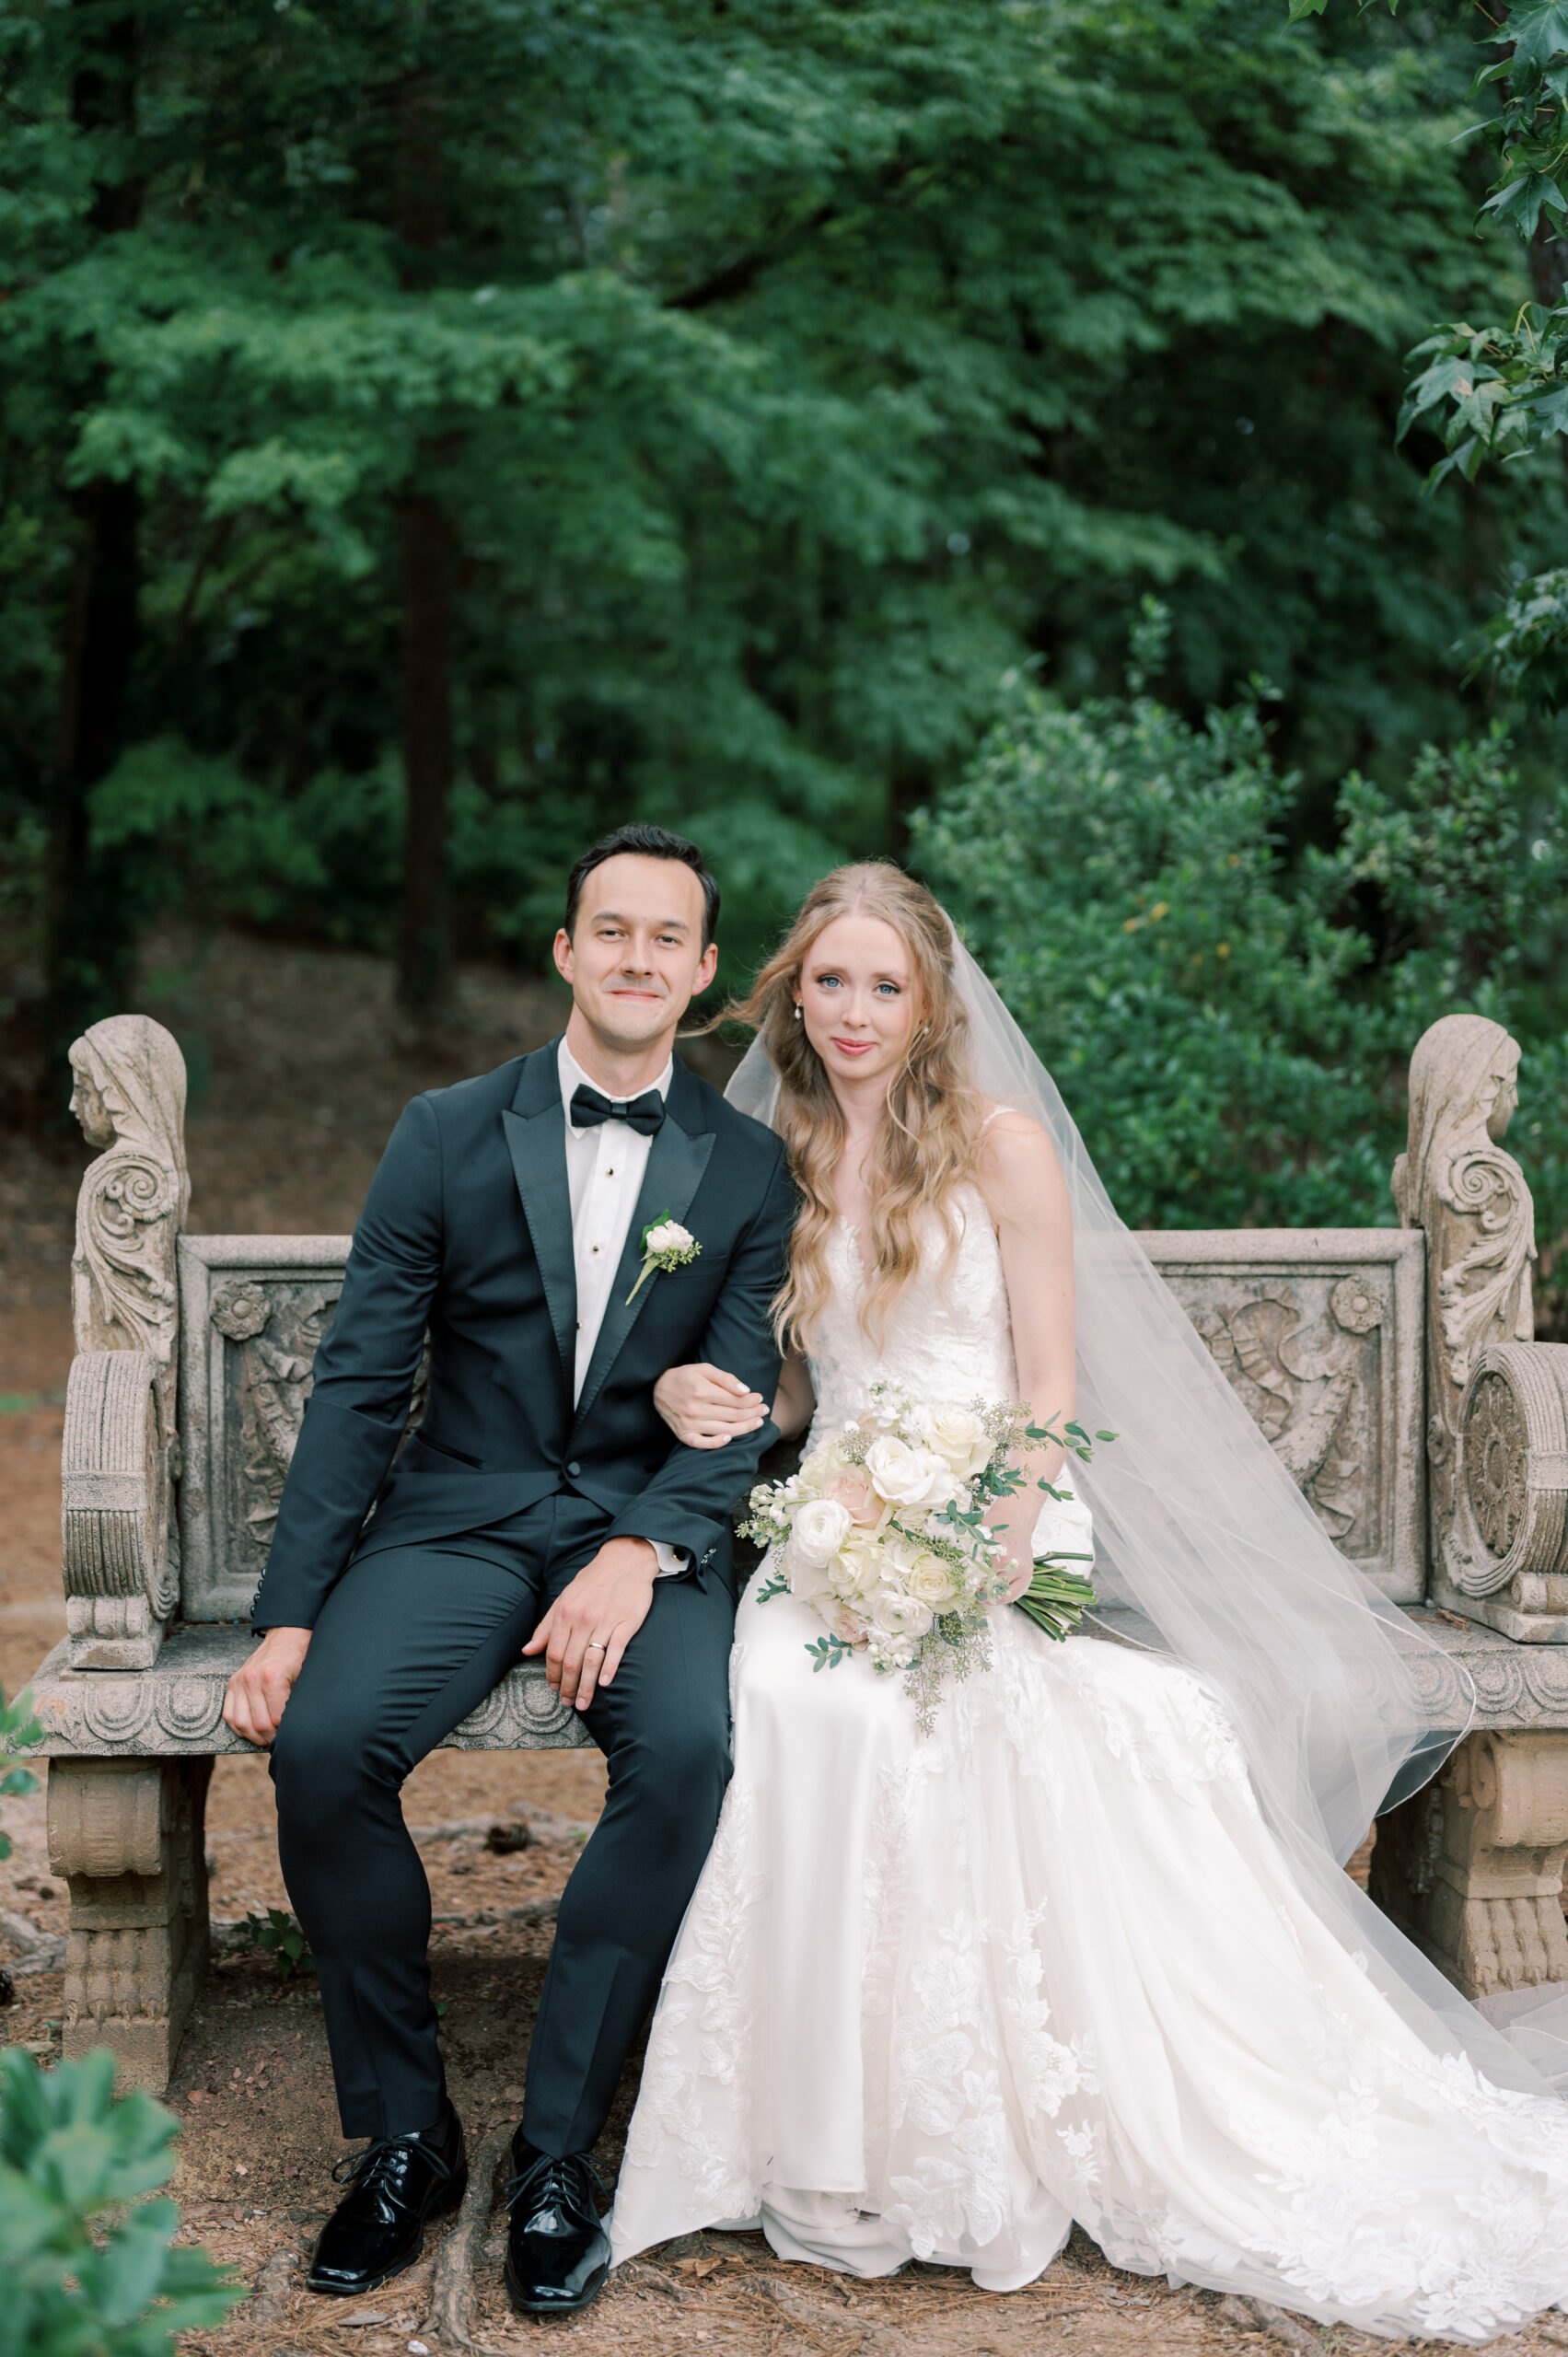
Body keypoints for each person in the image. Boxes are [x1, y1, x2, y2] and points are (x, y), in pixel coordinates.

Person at [608, 861, 1568, 2344]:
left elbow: (1048, 1391)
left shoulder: (996, 1147)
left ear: (929, 1002)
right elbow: (796, 1380)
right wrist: (709, 1393)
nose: (855, 1011)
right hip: (837, 1517)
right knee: (793, 1697)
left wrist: (993, 1530)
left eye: (885, 985)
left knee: (931, 1717)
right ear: (793, 992)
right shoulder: (772, 1145)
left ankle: (966, 2126)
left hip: (998, 1493)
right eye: (830, 981)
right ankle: (815, 2131)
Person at [221, 824, 796, 2319]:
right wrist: (290, 1614)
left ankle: (559, 2155)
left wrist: (644, 1544)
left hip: (644, 1532)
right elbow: (359, 1382)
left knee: (688, 1754)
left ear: (706, 972)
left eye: (667, 938)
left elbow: (733, 1409)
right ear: (564, 950)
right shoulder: (444, 1131)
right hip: (458, 1523)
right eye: (611, 930)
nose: (636, 959)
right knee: (329, 1746)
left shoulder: (746, 1168)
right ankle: (408, 2137)